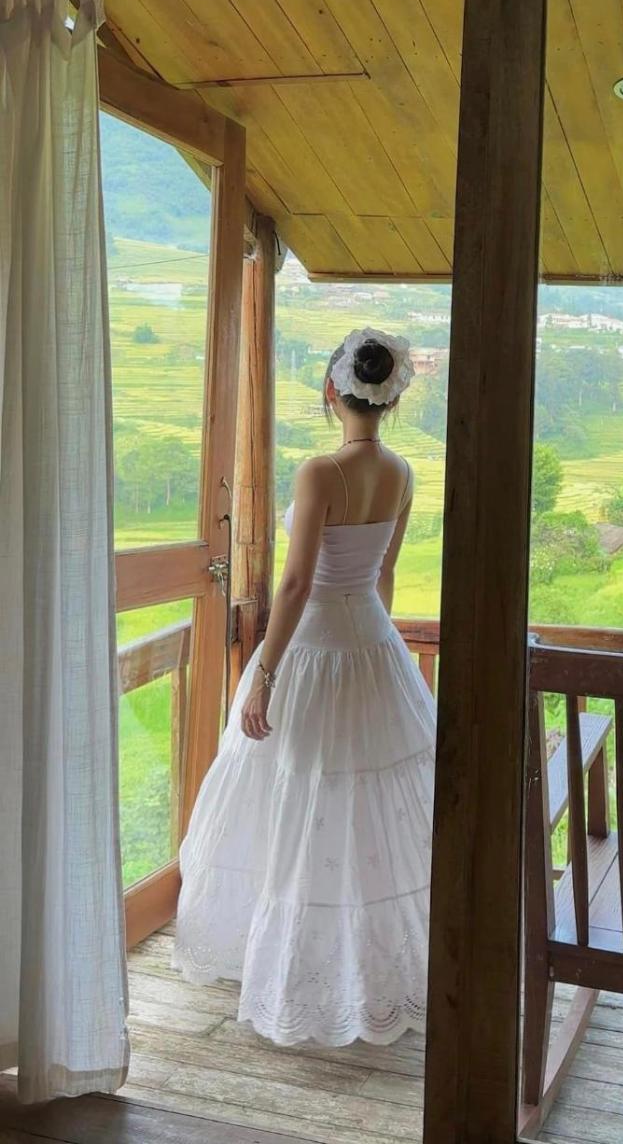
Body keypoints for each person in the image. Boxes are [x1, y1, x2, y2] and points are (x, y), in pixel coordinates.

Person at [173, 328, 436, 1048]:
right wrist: (378, 647)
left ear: (331, 390)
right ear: (392, 399)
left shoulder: (321, 471)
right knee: (360, 807)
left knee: (302, 794)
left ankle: (299, 972)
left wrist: (265, 673)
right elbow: (383, 576)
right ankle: (368, 968)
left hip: (315, 647)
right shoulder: (403, 471)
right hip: (373, 642)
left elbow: (294, 584)